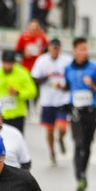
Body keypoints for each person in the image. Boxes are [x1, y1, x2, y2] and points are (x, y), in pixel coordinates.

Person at [65, 36, 96, 191]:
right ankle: (79, 176)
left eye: (86, 49)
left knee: (87, 145)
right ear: (75, 51)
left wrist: (92, 85)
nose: (84, 52)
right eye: (81, 49)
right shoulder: (68, 69)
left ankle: (83, 172)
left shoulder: (95, 68)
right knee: (78, 143)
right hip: (75, 111)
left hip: (91, 111)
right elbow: (67, 87)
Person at [31, 37, 72, 165]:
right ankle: (52, 152)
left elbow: (71, 79)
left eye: (57, 48)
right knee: (49, 129)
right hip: (47, 100)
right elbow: (35, 78)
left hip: (62, 100)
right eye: (52, 48)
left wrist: (64, 87)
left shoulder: (67, 60)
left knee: (62, 127)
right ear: (49, 48)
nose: (55, 51)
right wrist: (46, 77)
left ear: (60, 48)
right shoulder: (42, 60)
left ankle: (60, 139)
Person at [0, 49, 37, 133]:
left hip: (17, 115)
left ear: (14, 63)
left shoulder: (22, 73)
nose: (8, 66)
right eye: (5, 63)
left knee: (15, 142)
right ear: (2, 62)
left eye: (10, 64)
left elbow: (32, 92)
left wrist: (18, 93)